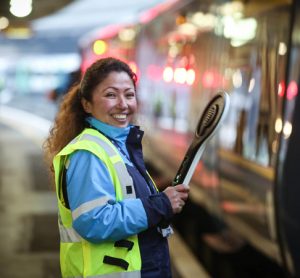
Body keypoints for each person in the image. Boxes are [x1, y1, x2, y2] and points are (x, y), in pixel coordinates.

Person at [44, 57, 189, 278]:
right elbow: (93, 221)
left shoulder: (118, 145)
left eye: (129, 95)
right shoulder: (88, 153)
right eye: (111, 95)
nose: (123, 104)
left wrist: (163, 206)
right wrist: (160, 205)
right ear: (87, 104)